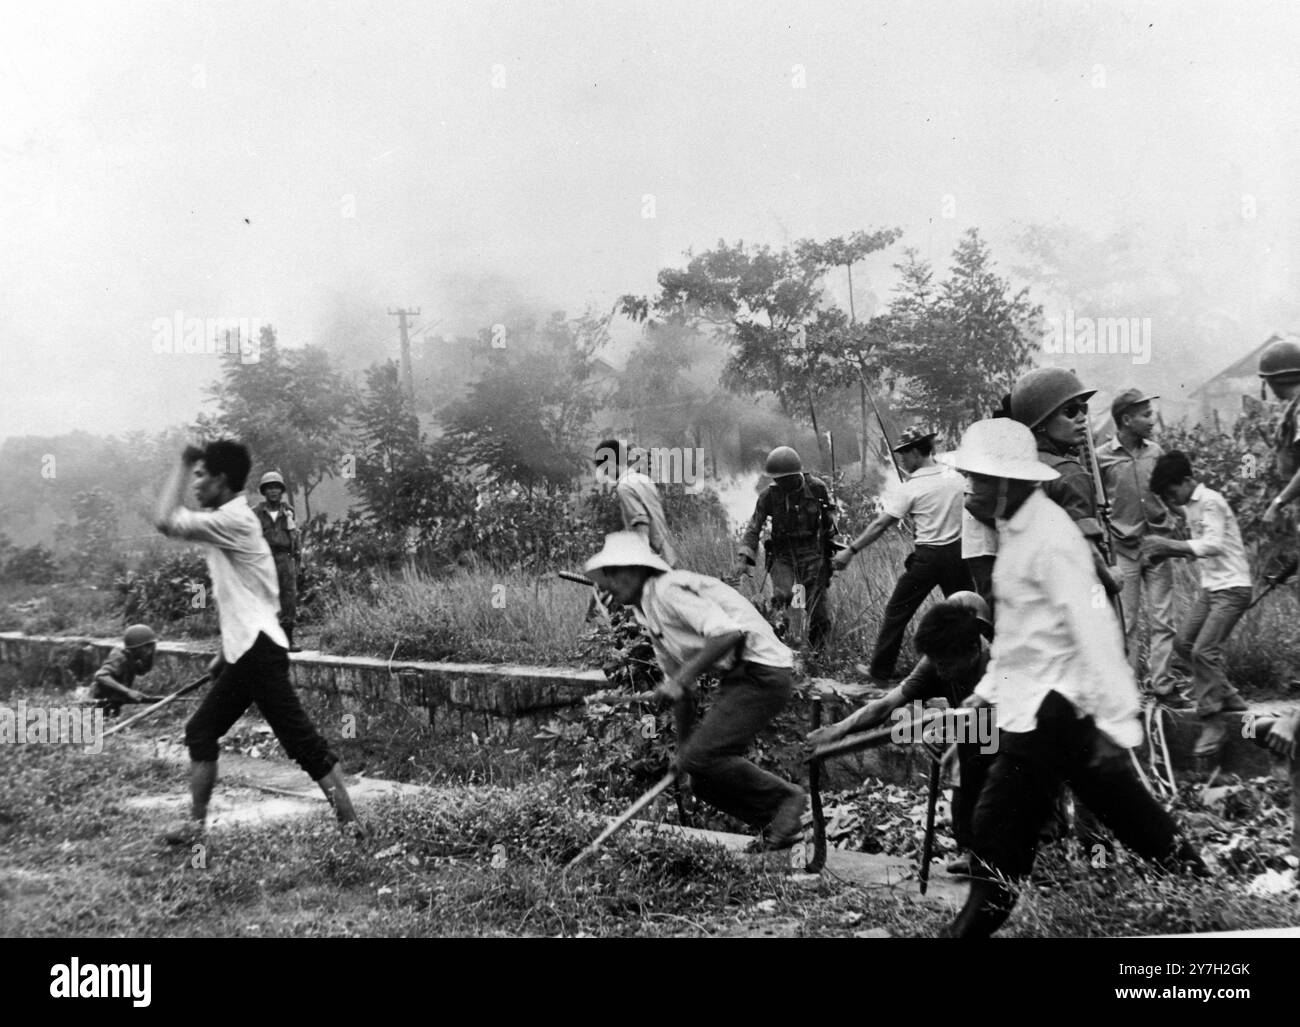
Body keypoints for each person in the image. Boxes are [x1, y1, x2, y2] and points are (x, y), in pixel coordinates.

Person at [936, 419, 1203, 938]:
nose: (970, 491)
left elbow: (1096, 632)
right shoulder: (1016, 531)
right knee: (1135, 819)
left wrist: (1118, 723)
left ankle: (962, 934)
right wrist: (977, 705)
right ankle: (1203, 890)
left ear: (1010, 482)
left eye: (979, 480)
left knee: (997, 828)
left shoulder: (1051, 538)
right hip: (1050, 709)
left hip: (1056, 711)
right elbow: (1019, 642)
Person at [153, 439, 363, 844]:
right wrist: (225, 652)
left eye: (200, 476)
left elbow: (165, 520)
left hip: (258, 655)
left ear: (221, 479)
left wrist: (180, 464)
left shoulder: (232, 520)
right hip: (250, 650)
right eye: (193, 475)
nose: (195, 484)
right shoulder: (234, 522)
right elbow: (256, 594)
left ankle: (352, 828)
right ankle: (195, 827)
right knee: (201, 731)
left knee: (302, 743)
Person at [586, 531, 807, 850]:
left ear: (638, 570)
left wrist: (678, 683)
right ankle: (777, 827)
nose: (608, 582)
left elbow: (726, 634)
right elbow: (683, 691)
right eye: (606, 575)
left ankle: (789, 798)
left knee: (703, 758)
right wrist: (682, 752)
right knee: (700, 778)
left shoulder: (667, 589)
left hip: (764, 672)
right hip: (740, 677)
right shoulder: (648, 614)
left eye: (615, 572)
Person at [807, 592, 995, 874]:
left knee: (985, 767)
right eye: (937, 665)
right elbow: (886, 705)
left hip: (1015, 735)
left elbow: (999, 723)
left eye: (947, 665)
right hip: (974, 731)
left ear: (973, 650)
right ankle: (973, 853)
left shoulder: (998, 665)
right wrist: (838, 730)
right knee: (966, 760)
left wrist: (957, 734)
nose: (940, 673)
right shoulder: (937, 659)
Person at [832, 428, 969, 683]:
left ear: (917, 451)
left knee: (896, 611)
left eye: (905, 454)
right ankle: (976, 668)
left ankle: (879, 672)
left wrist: (850, 551)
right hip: (958, 556)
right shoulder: (957, 478)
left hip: (928, 558)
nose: (902, 460)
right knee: (966, 613)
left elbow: (880, 525)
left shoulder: (912, 487)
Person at [1144, 451, 1252, 770]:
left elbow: (1213, 544)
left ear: (1188, 481)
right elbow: (1196, 544)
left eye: (1171, 492)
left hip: (1233, 587)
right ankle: (1228, 696)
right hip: (1213, 588)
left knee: (1204, 652)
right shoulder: (1191, 505)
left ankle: (1213, 719)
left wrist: (1168, 547)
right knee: (1184, 644)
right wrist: (1164, 552)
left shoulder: (1210, 502)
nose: (1170, 499)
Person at [1009, 368, 1121, 600]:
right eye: (1070, 411)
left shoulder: (1012, 470)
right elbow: (1087, 550)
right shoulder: (1071, 475)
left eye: (1083, 409)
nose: (1082, 418)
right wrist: (1112, 579)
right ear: (1041, 423)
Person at [1096, 390, 1179, 698]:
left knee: (1163, 618)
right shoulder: (1101, 457)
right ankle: (1127, 690)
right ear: (1126, 420)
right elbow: (1098, 504)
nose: (1151, 419)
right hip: (1123, 549)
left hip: (1157, 544)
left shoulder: (1156, 452)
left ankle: (1163, 684)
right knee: (1126, 621)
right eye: (1145, 414)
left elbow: (1168, 492)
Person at [737, 446, 838, 650]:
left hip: (812, 554)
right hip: (783, 556)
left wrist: (833, 551)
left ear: (797, 475)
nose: (781, 483)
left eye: (785, 479)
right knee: (783, 598)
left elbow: (830, 523)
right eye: (777, 479)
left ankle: (815, 656)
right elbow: (754, 526)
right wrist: (744, 556)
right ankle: (781, 650)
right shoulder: (769, 495)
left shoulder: (817, 488)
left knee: (820, 613)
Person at [594, 439, 679, 567]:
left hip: (654, 562)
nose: (607, 476)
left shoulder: (625, 487)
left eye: (605, 470)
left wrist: (641, 561)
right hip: (668, 555)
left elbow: (641, 521)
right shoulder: (644, 479)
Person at [252, 471, 302, 653]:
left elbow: (294, 537)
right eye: (269, 488)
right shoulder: (255, 513)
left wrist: (297, 560)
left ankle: (288, 640)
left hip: (284, 557)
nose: (273, 491)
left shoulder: (289, 512)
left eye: (276, 488)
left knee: (288, 597)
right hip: (264, 559)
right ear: (264, 492)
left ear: (281, 491)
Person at [91, 624, 163, 716]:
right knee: (92, 728)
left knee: (110, 724)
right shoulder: (120, 657)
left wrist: (151, 655)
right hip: (98, 702)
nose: (149, 651)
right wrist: (128, 692)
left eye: (151, 647)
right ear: (136, 647)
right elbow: (101, 675)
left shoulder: (132, 658)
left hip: (112, 702)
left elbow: (142, 670)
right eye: (147, 647)